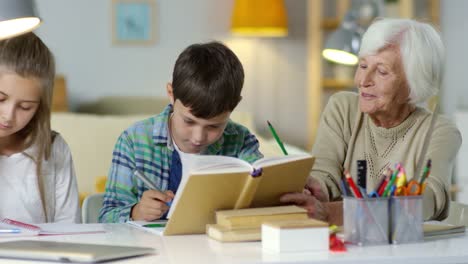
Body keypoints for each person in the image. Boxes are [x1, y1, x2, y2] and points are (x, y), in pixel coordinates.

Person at [281, 18, 461, 224]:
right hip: (343, 247)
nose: (363, 81)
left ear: (414, 85)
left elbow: (427, 200)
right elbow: (324, 172)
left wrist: (331, 213)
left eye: (382, 72)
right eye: (363, 65)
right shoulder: (343, 108)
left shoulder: (440, 131)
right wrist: (317, 189)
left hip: (403, 251)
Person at [99, 41, 263, 223]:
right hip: (155, 250)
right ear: (171, 93)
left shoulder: (241, 141)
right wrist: (136, 212)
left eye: (213, 126)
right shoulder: (133, 141)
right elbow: (107, 219)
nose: (198, 137)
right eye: (188, 121)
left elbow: (263, 195)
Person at [0, 33, 80, 223]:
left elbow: (69, 230)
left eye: (25, 107)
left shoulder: (54, 148)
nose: (8, 116)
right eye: (0, 99)